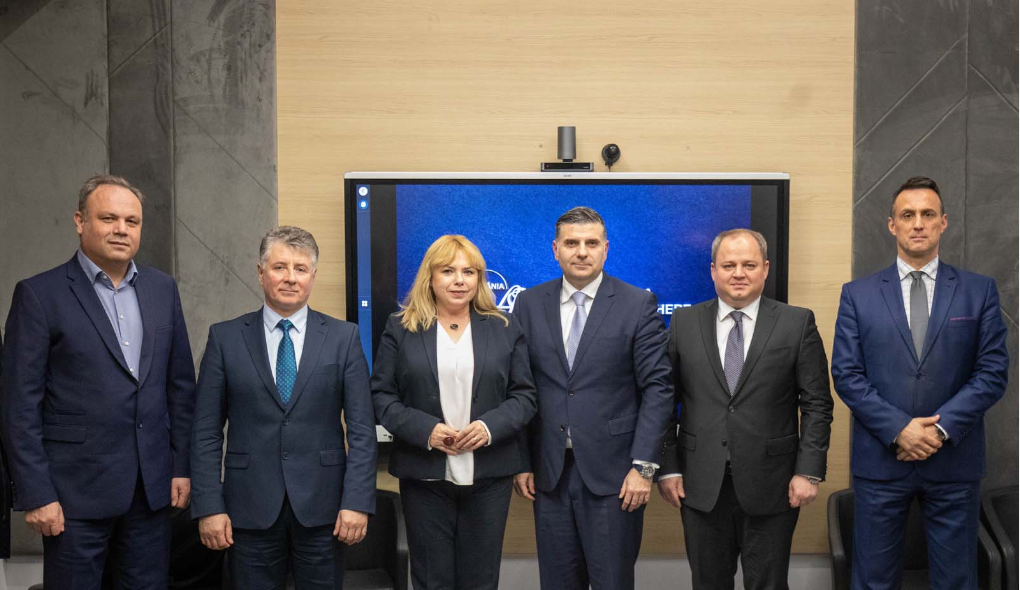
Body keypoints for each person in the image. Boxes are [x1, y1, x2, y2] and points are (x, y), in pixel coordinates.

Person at [0, 174, 196, 588]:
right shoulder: (40, 294)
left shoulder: (163, 289)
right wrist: (37, 493)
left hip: (150, 492)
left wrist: (181, 466)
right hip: (73, 496)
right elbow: (19, 405)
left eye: (131, 221)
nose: (121, 229)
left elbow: (180, 388)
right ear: (80, 222)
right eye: (108, 218)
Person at [832, 176, 1009, 590]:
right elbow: (847, 374)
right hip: (881, 461)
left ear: (943, 222)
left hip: (953, 462)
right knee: (873, 581)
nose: (917, 223)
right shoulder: (857, 295)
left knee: (956, 581)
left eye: (928, 214)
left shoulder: (978, 291)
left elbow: (992, 372)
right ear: (891, 224)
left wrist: (938, 430)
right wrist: (900, 429)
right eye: (907, 215)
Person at [190, 226, 376, 589]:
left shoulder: (344, 338)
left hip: (325, 510)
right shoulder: (225, 338)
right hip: (248, 509)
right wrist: (209, 506)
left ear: (312, 276)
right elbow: (206, 432)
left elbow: (362, 431)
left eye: (300, 268)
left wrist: (357, 501)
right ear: (261, 273)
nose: (290, 277)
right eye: (280, 267)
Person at [657, 228, 833, 589]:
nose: (739, 273)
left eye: (749, 265)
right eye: (729, 265)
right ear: (713, 271)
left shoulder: (797, 323)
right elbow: (663, 400)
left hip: (774, 484)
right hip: (699, 484)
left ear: (765, 269)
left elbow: (817, 403)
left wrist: (809, 471)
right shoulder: (684, 323)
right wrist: (668, 467)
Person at [512, 207, 674, 590]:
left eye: (591, 243)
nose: (582, 252)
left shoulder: (637, 303)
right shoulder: (529, 304)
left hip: (616, 475)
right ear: (556, 249)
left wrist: (644, 467)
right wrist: (521, 461)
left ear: (606, 249)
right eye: (572, 243)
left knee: (611, 582)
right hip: (549, 474)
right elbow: (519, 387)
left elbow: (658, 387)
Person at [372, 234, 537, 590]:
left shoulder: (505, 327)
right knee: (433, 580)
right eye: (448, 271)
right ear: (430, 277)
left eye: (468, 272)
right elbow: (382, 396)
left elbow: (524, 396)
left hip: (490, 476)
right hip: (424, 476)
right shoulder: (401, 328)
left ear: (479, 278)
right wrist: (426, 430)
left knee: (481, 580)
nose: (459, 280)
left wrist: (489, 427)